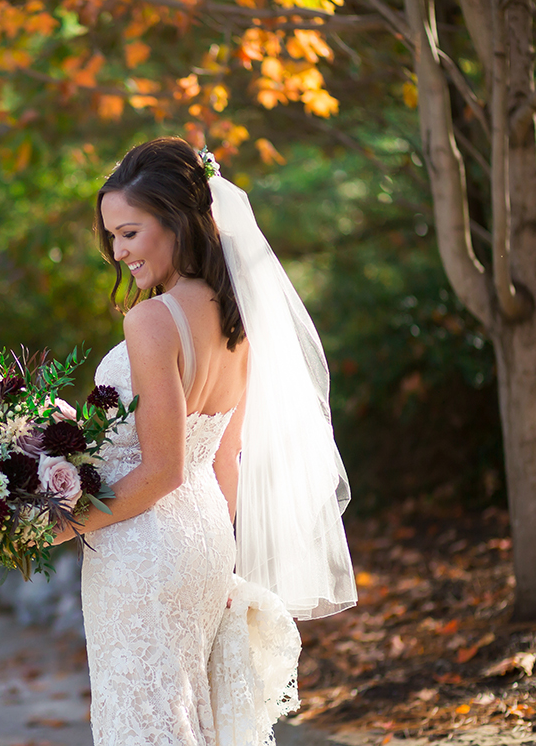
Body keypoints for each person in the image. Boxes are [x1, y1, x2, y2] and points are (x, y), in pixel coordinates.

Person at [51, 137, 357, 746]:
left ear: (177, 221)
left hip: (143, 549)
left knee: (147, 721)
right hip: (206, 539)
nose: (118, 252)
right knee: (196, 718)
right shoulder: (238, 318)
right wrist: (225, 560)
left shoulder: (153, 320)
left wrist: (58, 525)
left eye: (131, 233)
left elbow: (162, 470)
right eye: (112, 236)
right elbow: (222, 460)